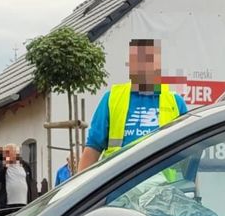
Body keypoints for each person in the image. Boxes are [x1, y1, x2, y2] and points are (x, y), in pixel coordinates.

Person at [78, 38, 189, 171]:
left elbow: (188, 151)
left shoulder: (175, 103)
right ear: (130, 66)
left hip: (164, 187)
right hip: (119, 184)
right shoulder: (112, 98)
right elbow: (93, 148)